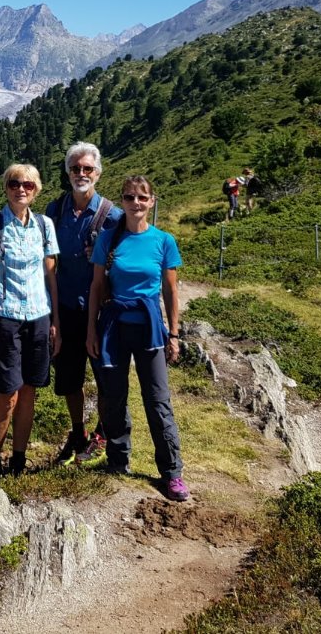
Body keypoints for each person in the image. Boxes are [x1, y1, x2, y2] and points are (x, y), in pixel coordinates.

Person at [86, 175, 189, 502]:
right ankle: (118, 460)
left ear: (152, 201)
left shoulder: (164, 241)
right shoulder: (108, 239)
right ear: (123, 201)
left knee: (157, 400)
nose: (136, 203)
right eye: (130, 197)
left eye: (142, 197)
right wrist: (91, 330)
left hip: (149, 329)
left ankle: (171, 472)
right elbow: (96, 287)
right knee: (113, 397)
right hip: (114, 327)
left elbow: (170, 291)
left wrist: (174, 334)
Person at [44, 142, 122, 465]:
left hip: (101, 310)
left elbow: (128, 260)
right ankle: (78, 432)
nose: (81, 173)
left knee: (105, 376)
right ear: (67, 172)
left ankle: (103, 434)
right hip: (65, 307)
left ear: (98, 173)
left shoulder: (113, 216)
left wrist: (109, 258)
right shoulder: (54, 211)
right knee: (69, 377)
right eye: (75, 168)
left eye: (87, 168)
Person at [0, 163, 60, 476]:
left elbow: (51, 275)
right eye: (14, 183)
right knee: (7, 393)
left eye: (28, 184)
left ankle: (18, 458)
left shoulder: (44, 225)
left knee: (29, 391)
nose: (21, 189)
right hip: (4, 317)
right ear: (6, 187)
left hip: (39, 315)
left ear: (36, 190)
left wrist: (56, 321)